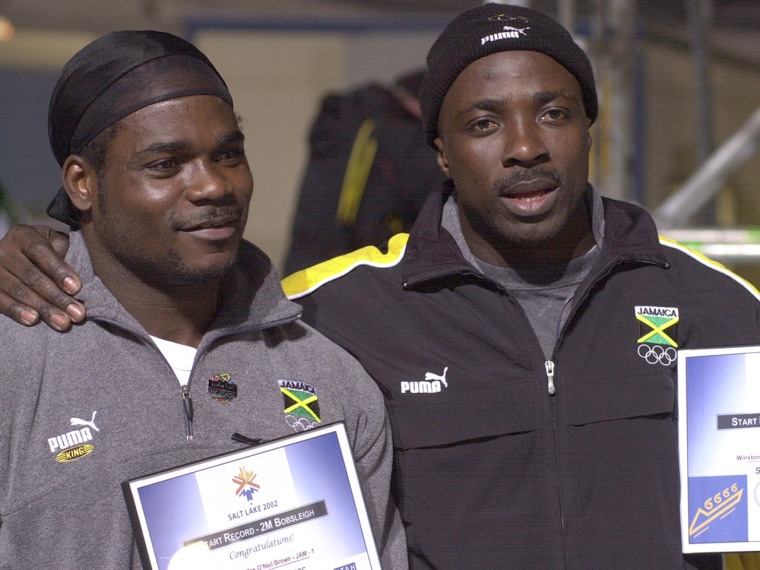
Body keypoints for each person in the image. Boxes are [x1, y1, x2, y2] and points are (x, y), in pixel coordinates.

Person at [0, 5, 758, 569]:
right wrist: (43, 244)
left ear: (592, 125)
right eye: (485, 123)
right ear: (440, 148)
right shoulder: (339, 314)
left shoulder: (723, 310)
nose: (525, 146)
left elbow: (744, 527)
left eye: (554, 113)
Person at [0, 30, 406, 569]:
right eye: (166, 165)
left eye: (229, 155)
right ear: (82, 183)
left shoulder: (332, 378)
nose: (213, 186)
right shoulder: (15, 366)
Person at [283, 69, 445, 275]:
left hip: (308, 266)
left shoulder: (350, 118)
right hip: (361, 271)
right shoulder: (403, 136)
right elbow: (435, 211)